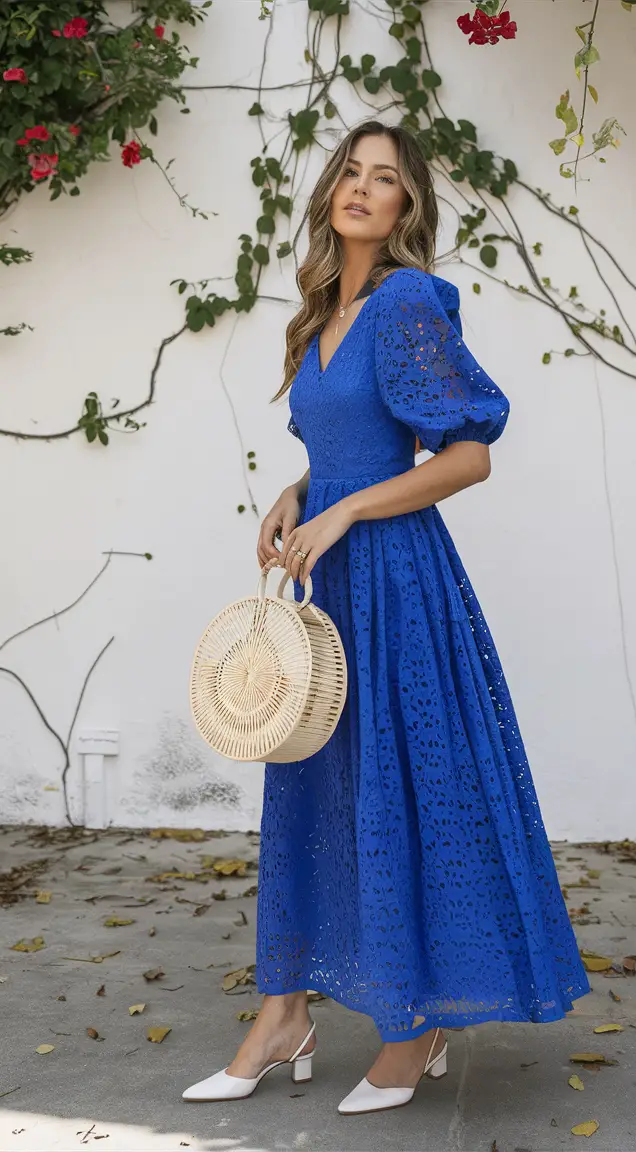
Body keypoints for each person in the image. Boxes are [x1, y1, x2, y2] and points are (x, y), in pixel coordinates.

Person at [183, 118, 591, 1115]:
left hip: (398, 584)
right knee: (313, 785)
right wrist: (301, 487)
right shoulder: (326, 309)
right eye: (352, 174)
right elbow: (354, 441)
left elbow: (465, 455)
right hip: (334, 583)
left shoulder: (407, 301)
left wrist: (351, 505)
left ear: (408, 207)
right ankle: (284, 1017)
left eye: (387, 180)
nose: (364, 190)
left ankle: (416, 1029)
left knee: (405, 791)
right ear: (331, 193)